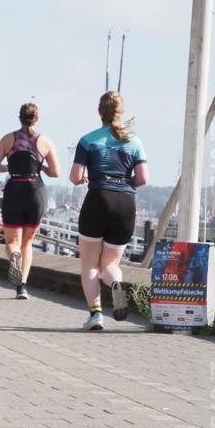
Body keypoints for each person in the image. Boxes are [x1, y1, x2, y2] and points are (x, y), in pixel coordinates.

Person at [70, 91, 148, 330]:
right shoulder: (134, 142)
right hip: (125, 203)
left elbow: (75, 176)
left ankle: (96, 315)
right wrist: (124, 183)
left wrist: (86, 178)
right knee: (110, 264)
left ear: (99, 112)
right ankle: (116, 283)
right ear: (120, 112)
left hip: (98, 199)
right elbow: (143, 178)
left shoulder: (88, 140)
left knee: (90, 264)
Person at [0, 103, 61, 299]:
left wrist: (9, 168)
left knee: (13, 242)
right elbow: (55, 172)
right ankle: (22, 287)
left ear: (19, 118)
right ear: (37, 119)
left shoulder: (8, 139)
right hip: (35, 192)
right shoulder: (45, 141)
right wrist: (40, 167)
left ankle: (14, 255)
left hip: (14, 190)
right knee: (27, 243)